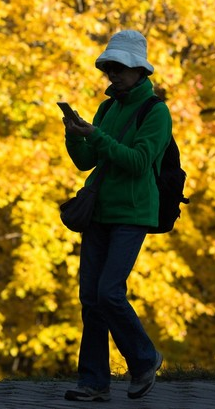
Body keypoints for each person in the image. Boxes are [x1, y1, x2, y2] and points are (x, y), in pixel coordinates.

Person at [62, 30, 171, 402]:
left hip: (133, 213)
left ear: (140, 70)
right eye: (109, 68)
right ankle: (93, 382)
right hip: (100, 213)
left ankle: (144, 358)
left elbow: (139, 163)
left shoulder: (155, 112)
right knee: (91, 299)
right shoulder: (108, 108)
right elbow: (86, 162)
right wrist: (75, 135)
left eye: (120, 68)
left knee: (109, 292)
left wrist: (97, 137)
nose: (113, 74)